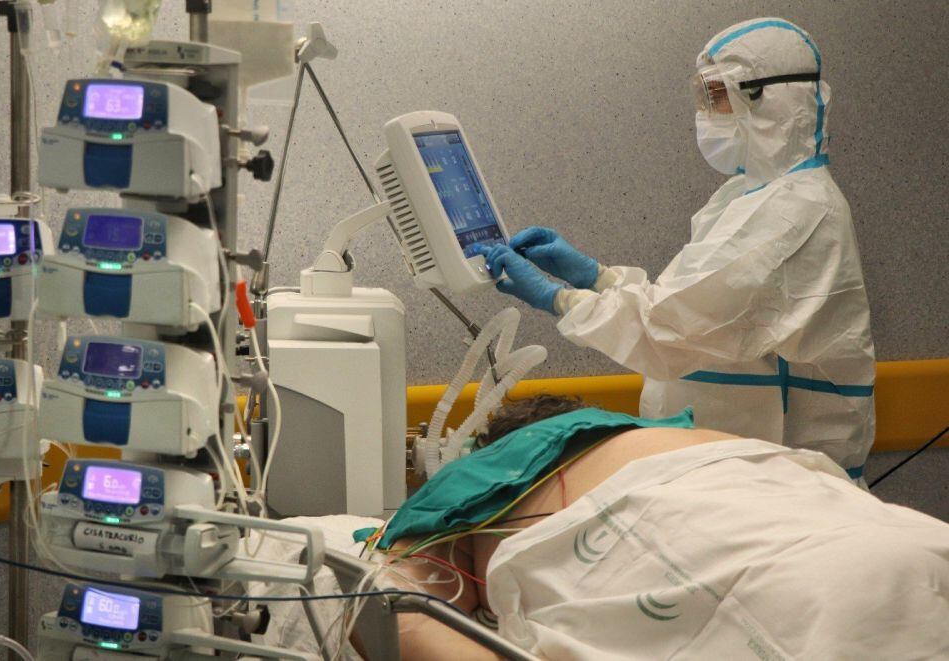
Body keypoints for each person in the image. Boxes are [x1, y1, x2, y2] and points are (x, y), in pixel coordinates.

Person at [479, 18, 876, 480]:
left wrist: (558, 297)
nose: (707, 113)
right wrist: (596, 276)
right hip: (733, 472)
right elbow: (684, 309)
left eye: (716, 95)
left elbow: (666, 333)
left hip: (778, 480)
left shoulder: (795, 211)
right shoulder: (749, 197)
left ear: (764, 96)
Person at [364, 396, 949, 660]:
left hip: (794, 591)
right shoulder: (692, 437)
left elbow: (391, 609)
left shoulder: (494, 465)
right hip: (908, 540)